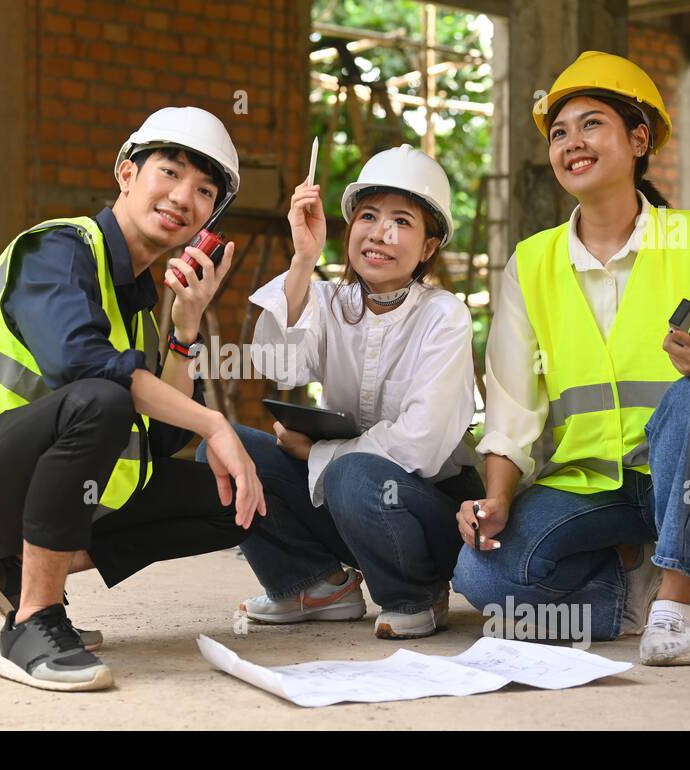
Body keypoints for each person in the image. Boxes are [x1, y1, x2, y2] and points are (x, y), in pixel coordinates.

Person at [0, 107, 266, 691]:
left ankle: (21, 569)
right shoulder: (59, 249)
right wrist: (217, 426)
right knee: (101, 397)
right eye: (170, 173)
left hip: (34, 495)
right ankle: (32, 623)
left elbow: (162, 440)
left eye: (204, 191)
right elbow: (86, 368)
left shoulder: (140, 308)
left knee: (238, 500)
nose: (184, 197)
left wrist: (184, 328)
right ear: (127, 173)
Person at [453, 52, 690, 665]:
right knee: (484, 580)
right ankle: (630, 588)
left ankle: (679, 600)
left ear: (638, 139)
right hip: (590, 486)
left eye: (590, 124)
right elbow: (512, 407)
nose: (571, 143)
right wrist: (496, 499)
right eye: (558, 133)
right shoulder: (531, 262)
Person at [201, 145, 482, 640]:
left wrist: (320, 452)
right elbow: (275, 364)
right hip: (346, 506)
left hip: (423, 514)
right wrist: (303, 259)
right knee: (220, 446)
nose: (380, 233)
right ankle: (313, 586)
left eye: (402, 222)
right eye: (368, 216)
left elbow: (420, 445)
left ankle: (416, 594)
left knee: (353, 473)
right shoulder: (330, 300)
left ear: (430, 246)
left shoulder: (444, 317)